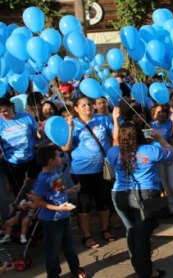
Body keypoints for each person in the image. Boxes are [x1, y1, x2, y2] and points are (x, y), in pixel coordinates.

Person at [107, 123, 173, 278]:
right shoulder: (150, 150)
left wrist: (116, 123)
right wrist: (159, 138)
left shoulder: (113, 151)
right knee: (142, 236)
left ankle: (139, 267)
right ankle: (146, 272)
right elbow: (172, 153)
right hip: (145, 195)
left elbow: (115, 148)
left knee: (131, 231)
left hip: (119, 194)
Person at [61, 95, 120, 249]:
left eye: (89, 104)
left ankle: (105, 230)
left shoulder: (102, 119)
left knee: (103, 201)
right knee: (85, 204)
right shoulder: (72, 123)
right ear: (76, 109)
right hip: (82, 172)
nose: (87, 107)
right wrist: (70, 129)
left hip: (102, 169)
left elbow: (115, 137)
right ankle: (86, 236)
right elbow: (66, 148)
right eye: (83, 105)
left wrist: (114, 119)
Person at [31, 145, 86, 278]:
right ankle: (53, 274)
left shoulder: (54, 173)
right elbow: (37, 201)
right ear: (51, 161)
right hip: (52, 220)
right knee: (53, 250)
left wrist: (70, 190)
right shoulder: (44, 178)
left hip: (63, 216)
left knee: (70, 246)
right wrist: (59, 208)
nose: (61, 157)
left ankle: (75, 270)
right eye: (58, 156)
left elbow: (57, 192)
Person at [0, 97, 42, 195]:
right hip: (13, 163)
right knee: (20, 192)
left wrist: (40, 132)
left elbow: (37, 136)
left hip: (31, 159)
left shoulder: (26, 117)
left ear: (11, 107)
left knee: (35, 188)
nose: (2, 115)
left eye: (4, 111)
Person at [150, 104, 173, 217]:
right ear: (154, 114)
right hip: (158, 160)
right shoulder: (150, 125)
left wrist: (172, 156)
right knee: (165, 185)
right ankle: (172, 208)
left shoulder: (170, 124)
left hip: (172, 158)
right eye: (158, 112)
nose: (161, 114)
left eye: (163, 112)